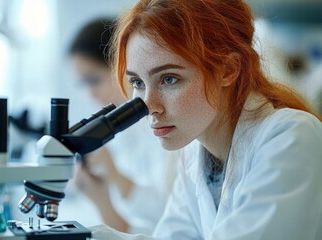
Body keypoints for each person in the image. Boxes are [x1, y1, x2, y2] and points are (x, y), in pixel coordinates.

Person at [90, 0, 322, 239]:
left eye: (169, 79)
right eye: (137, 83)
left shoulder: (291, 138)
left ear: (229, 69)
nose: (149, 106)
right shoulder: (194, 155)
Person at [69, 18, 176, 234]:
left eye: (93, 80)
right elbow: (127, 227)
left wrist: (114, 174)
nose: (89, 94)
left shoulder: (164, 124)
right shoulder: (121, 134)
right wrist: (100, 196)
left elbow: (170, 217)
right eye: (83, 84)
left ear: (121, 66)